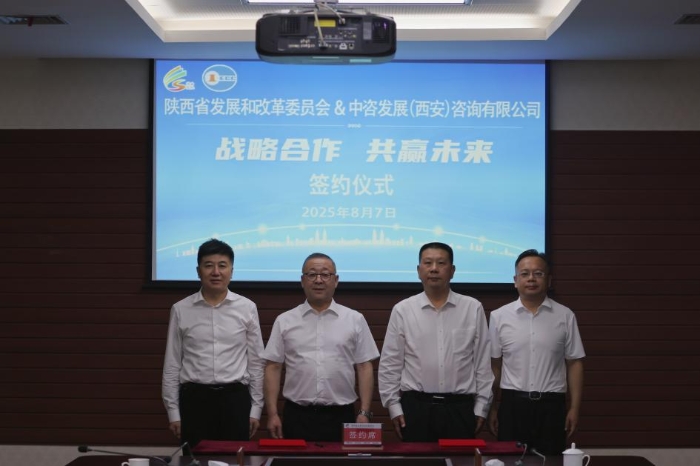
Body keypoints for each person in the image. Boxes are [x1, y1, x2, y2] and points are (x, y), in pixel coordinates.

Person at [378, 242, 493, 442]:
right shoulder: (403, 310)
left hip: (459, 408)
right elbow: (390, 363)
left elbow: (483, 363)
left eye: (441, 263)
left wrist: (481, 407)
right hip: (416, 408)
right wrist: (394, 406)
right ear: (418, 270)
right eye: (428, 263)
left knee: (460, 459)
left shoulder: (472, 308)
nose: (434, 269)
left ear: (452, 270)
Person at [262, 252, 380, 441]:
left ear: (336, 280)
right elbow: (273, 367)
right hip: (297, 415)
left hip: (341, 415)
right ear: (302, 281)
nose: (318, 280)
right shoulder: (284, 321)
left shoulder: (354, 319)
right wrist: (272, 413)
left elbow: (365, 367)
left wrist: (365, 411)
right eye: (312, 274)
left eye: (325, 274)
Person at [162, 238, 265, 450]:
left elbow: (256, 363)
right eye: (209, 265)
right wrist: (173, 413)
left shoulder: (247, 308)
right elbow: (172, 365)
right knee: (194, 461)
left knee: (235, 461)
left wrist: (256, 409)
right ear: (198, 271)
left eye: (222, 266)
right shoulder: (180, 309)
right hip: (194, 401)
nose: (216, 272)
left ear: (231, 271)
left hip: (235, 400)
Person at [488, 249, 585, 455]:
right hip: (512, 406)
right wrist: (492, 407)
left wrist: (574, 408)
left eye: (538, 273)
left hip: (552, 407)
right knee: (510, 461)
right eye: (525, 274)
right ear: (515, 281)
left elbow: (574, 363)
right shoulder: (499, 317)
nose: (531, 279)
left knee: (550, 461)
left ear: (549, 280)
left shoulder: (565, 315)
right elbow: (495, 365)